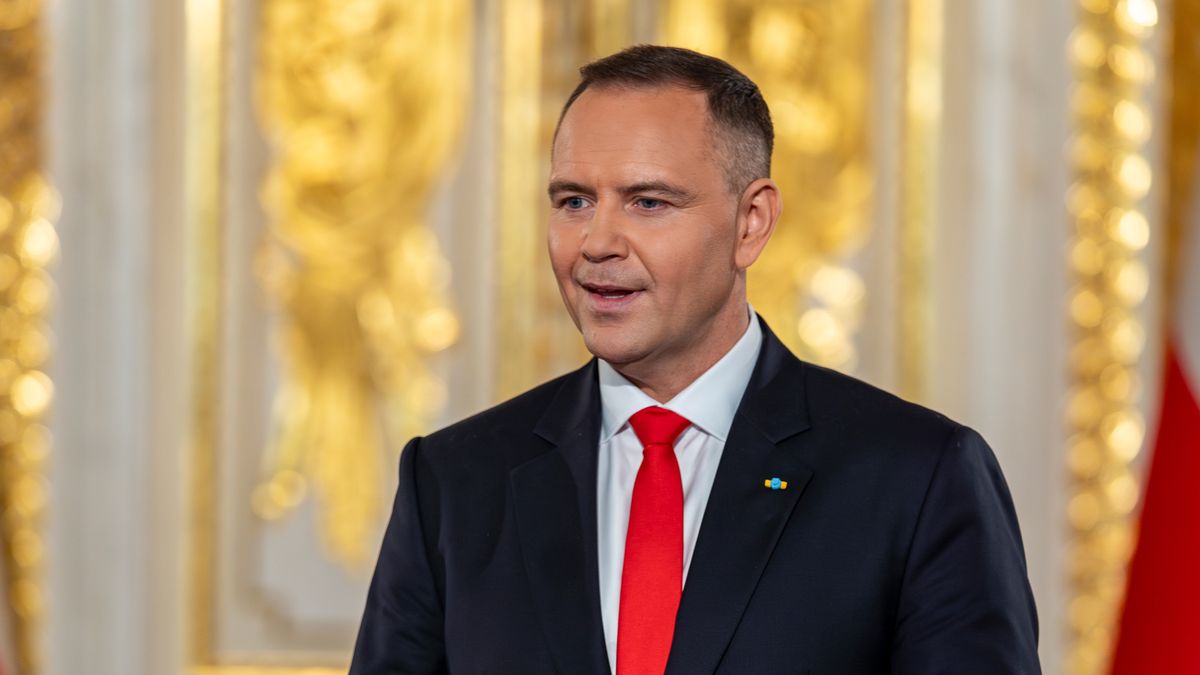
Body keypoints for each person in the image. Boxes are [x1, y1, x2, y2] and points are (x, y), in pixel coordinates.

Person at [349, 45, 1040, 674]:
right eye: (574, 201)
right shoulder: (453, 484)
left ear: (751, 223)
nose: (597, 242)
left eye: (648, 202)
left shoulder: (918, 478)